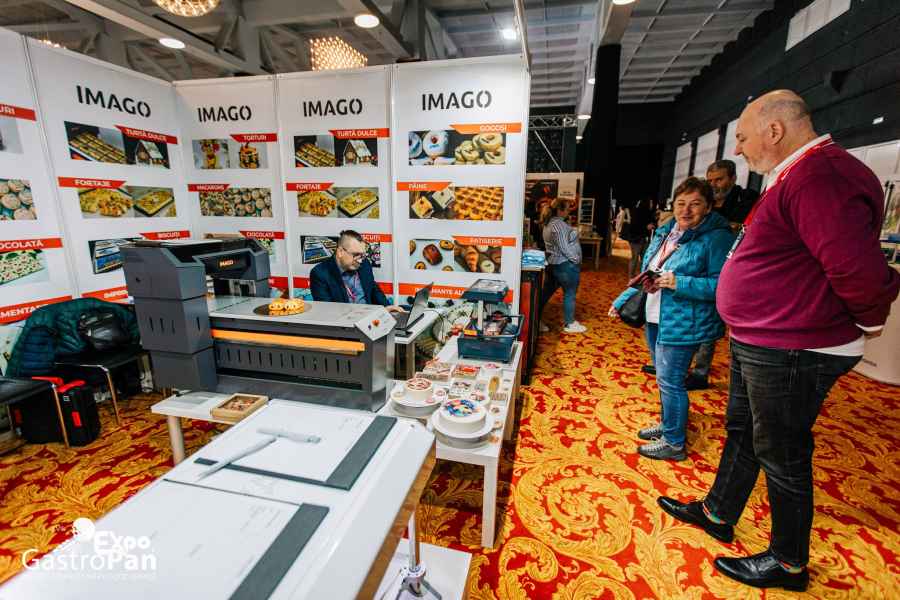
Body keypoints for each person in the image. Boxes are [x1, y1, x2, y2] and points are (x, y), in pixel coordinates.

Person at [657, 90, 900, 592]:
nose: (737, 150)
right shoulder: (796, 175)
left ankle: (789, 562)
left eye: (742, 137)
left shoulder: (821, 176)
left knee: (782, 452)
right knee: (743, 431)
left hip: (792, 345)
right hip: (765, 339)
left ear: (774, 129)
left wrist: (869, 322)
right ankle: (719, 512)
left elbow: (857, 270)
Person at [609, 177, 734, 460]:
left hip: (684, 321)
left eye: (695, 204)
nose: (686, 210)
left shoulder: (717, 238)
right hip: (657, 315)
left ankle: (674, 443)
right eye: (681, 204)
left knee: (671, 382)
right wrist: (622, 300)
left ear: (708, 207)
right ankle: (669, 426)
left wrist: (679, 282)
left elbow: (722, 286)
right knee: (664, 379)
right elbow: (648, 271)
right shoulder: (668, 231)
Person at [685, 160, 760, 390]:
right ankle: (684, 365)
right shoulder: (704, 199)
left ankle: (700, 373)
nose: (714, 184)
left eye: (719, 179)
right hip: (699, 265)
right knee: (692, 319)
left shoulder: (747, 199)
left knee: (711, 323)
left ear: (733, 178)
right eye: (710, 180)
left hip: (731, 271)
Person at [310, 230, 404, 313]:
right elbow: (328, 312)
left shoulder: (365, 264)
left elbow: (373, 289)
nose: (360, 260)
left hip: (370, 319)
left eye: (362, 255)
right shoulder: (320, 274)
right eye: (356, 255)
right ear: (340, 252)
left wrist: (386, 308)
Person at [540, 197, 587, 334]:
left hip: (554, 263)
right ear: (559, 210)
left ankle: (535, 320)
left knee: (545, 294)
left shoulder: (550, 223)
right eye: (567, 209)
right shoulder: (558, 225)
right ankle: (569, 324)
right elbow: (564, 247)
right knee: (570, 293)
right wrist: (575, 259)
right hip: (564, 265)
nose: (568, 211)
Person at [623, 197, 655, 280]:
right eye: (650, 202)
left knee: (644, 259)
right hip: (636, 239)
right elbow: (633, 227)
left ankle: (641, 277)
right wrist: (646, 227)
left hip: (644, 239)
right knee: (635, 258)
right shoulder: (637, 212)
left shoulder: (649, 213)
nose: (652, 204)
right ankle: (631, 278)